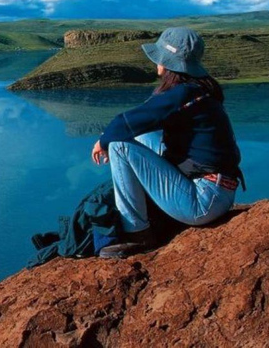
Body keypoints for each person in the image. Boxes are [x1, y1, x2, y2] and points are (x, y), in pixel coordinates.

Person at [91, 27, 244, 259]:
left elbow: (128, 121)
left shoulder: (183, 94)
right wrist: (112, 133)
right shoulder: (199, 89)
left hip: (203, 201)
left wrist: (103, 140)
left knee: (119, 146)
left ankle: (137, 234)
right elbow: (141, 121)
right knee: (139, 138)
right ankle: (146, 207)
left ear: (168, 62)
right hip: (216, 190)